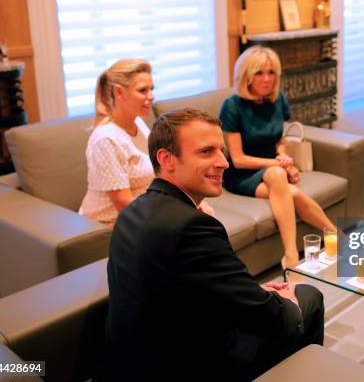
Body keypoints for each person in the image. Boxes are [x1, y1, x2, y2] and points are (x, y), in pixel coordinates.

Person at [104, 109, 325, 381]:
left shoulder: (132, 212)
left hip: (134, 358)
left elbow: (188, 290)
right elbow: (261, 313)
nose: (224, 162)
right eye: (207, 152)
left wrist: (253, 291)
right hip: (187, 365)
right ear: (167, 159)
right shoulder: (192, 225)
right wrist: (287, 303)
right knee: (308, 299)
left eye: (221, 150)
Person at [220, 46, 336, 268]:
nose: (267, 79)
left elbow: (278, 140)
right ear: (246, 76)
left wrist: (284, 158)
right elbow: (238, 159)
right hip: (242, 175)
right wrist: (278, 164)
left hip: (273, 172)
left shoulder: (278, 99)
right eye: (259, 73)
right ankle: (292, 253)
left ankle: (334, 235)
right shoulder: (232, 106)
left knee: (289, 189)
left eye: (271, 72)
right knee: (278, 177)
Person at [78, 58, 212, 225]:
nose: (151, 96)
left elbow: (164, 173)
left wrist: (191, 201)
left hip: (145, 213)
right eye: (143, 90)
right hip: (112, 225)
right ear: (119, 92)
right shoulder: (105, 140)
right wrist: (178, 211)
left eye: (151, 89)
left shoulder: (138, 124)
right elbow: (124, 204)